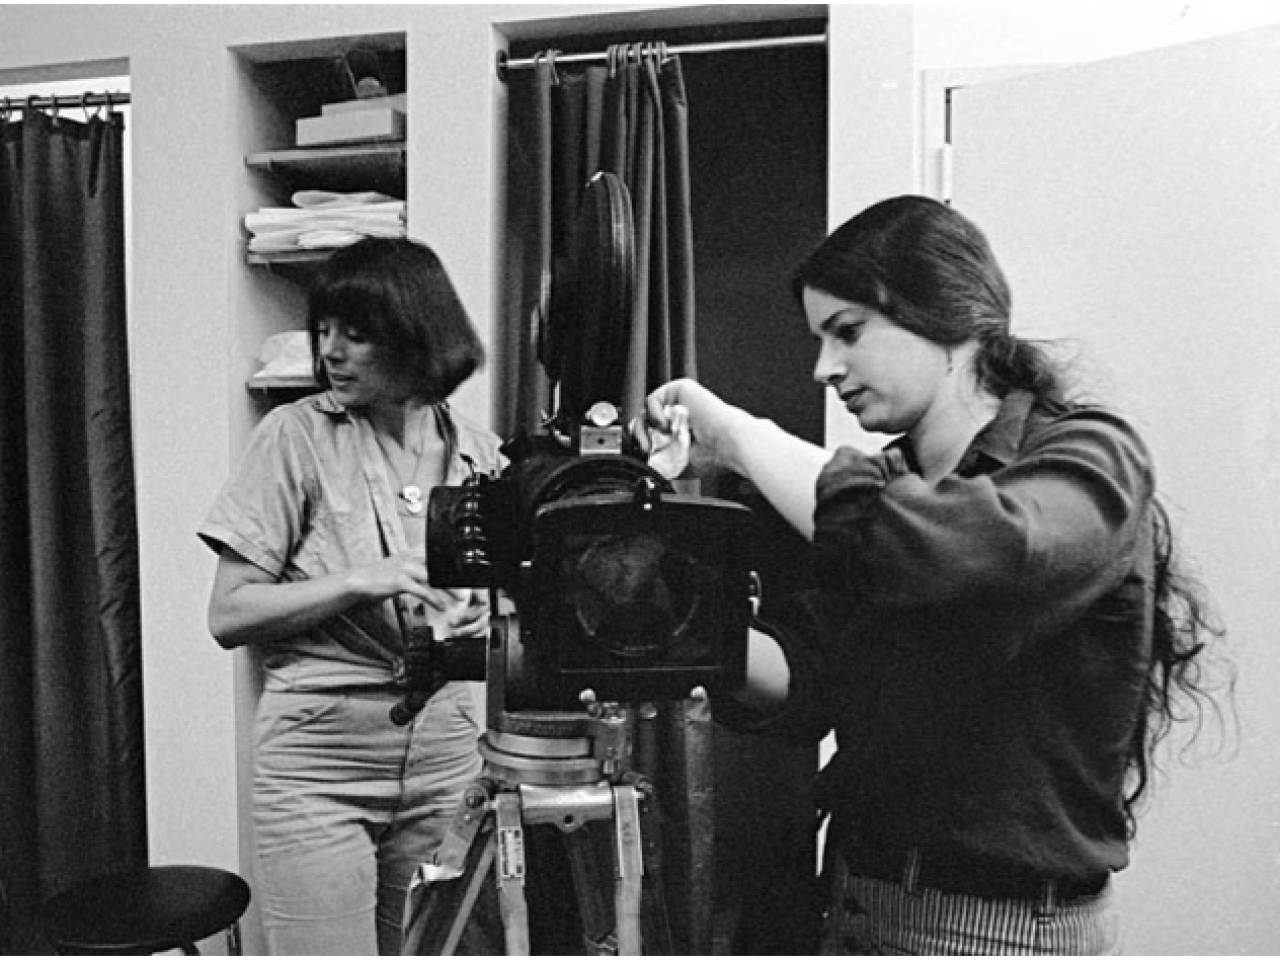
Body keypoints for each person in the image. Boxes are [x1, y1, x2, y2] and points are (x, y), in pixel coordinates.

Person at [636, 194, 1231, 956]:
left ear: (944, 318)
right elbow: (812, 678)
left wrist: (741, 436)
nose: (824, 368)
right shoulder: (888, 486)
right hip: (857, 899)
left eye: (847, 333)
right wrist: (671, 625)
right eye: (820, 340)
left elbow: (955, 550)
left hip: (996, 931)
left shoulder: (1091, 461)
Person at [198, 237, 504, 955]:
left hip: (446, 765)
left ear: (416, 336)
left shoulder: (483, 457)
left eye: (355, 334)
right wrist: (360, 580)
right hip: (319, 771)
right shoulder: (294, 439)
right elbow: (228, 613)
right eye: (324, 331)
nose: (330, 352)